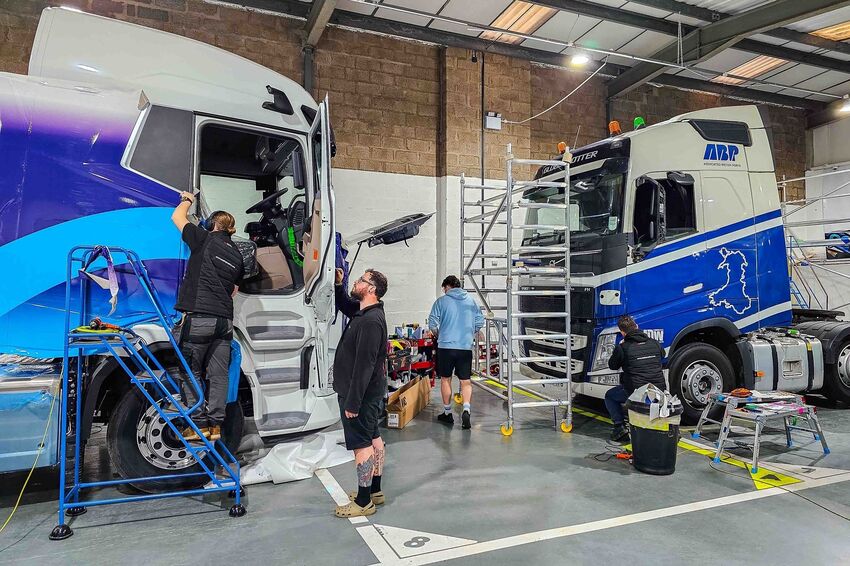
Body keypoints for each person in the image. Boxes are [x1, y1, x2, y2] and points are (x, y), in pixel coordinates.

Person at [171, 191, 244, 442]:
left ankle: (197, 425)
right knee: (219, 375)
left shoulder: (203, 239)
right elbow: (234, 290)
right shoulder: (238, 256)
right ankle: (216, 426)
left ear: (212, 224)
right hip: (224, 323)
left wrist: (187, 199)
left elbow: (177, 217)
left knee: (190, 371)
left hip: (200, 319)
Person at [332, 267, 389, 518]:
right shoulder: (365, 311)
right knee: (373, 437)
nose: (356, 282)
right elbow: (345, 304)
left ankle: (364, 501)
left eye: (361, 280)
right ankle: (375, 491)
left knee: (362, 445)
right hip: (368, 393)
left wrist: (353, 402)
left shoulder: (370, 322)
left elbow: (364, 366)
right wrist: (339, 285)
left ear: (371, 289)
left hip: (361, 395)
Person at [428, 275, 485, 430]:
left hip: (446, 347)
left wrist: (439, 334)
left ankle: (447, 413)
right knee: (465, 381)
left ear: (447, 286)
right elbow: (480, 321)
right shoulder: (471, 301)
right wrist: (471, 332)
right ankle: (466, 409)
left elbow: (432, 322)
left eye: (444, 289)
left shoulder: (441, 301)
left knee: (445, 379)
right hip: (465, 347)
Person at [605, 315, 667, 442]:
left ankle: (619, 428)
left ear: (622, 333)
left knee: (610, 396)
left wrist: (619, 349)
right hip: (659, 390)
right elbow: (662, 354)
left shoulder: (623, 347)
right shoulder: (654, 343)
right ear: (637, 327)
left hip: (638, 392)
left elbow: (612, 366)